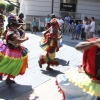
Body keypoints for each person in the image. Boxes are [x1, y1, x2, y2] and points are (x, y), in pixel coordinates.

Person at [0, 18, 29, 83]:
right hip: (12, 52)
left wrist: (6, 40)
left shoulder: (9, 29)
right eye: (17, 24)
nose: (18, 25)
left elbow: (3, 35)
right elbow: (17, 41)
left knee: (13, 65)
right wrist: (25, 39)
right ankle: (5, 76)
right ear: (14, 25)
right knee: (9, 64)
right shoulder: (12, 32)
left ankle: (8, 78)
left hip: (11, 49)